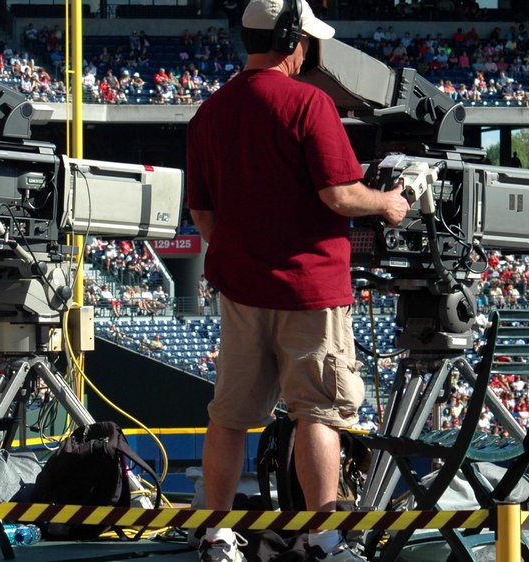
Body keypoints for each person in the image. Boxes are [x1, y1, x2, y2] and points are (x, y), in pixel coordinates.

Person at [186, 1, 410, 561]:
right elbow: (339, 194)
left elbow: (203, 217)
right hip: (309, 289)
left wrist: (247, 252)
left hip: (240, 290)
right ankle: (323, 538)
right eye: (306, 40)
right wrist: (388, 202)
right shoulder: (310, 102)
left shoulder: (209, 112)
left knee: (230, 417)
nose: (308, 49)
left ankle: (216, 536)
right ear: (292, 40)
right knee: (318, 413)